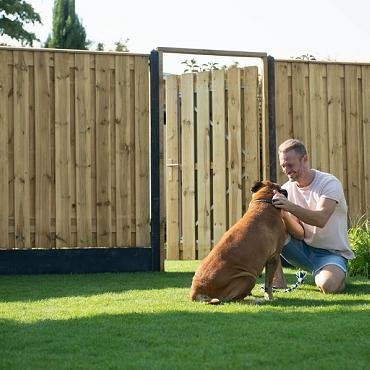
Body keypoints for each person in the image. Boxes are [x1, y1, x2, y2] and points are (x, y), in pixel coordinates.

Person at [272, 139, 355, 294]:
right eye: (283, 165)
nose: (286, 170)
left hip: (332, 254)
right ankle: (277, 282)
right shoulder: (286, 189)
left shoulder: (329, 183)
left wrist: (290, 207)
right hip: (302, 252)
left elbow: (321, 219)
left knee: (328, 286)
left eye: (290, 165)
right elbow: (300, 233)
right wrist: (284, 215)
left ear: (305, 159)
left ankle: (334, 275)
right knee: (272, 228)